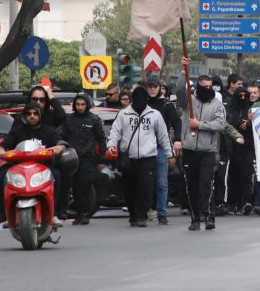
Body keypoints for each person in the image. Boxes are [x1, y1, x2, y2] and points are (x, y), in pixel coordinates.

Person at [107, 85, 175, 228]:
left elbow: (163, 137)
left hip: (147, 157)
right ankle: (133, 215)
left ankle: (141, 215)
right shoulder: (123, 114)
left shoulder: (154, 115)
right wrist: (111, 146)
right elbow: (115, 132)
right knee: (129, 188)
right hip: (129, 158)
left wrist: (170, 155)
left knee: (146, 188)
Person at [0, 103, 67, 225]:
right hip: (18, 167)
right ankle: (4, 213)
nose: (32, 116)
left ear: (40, 115)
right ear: (24, 116)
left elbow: (61, 142)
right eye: (29, 114)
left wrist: (59, 147)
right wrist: (1, 151)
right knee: (1, 176)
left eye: (35, 113)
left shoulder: (49, 130)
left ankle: (54, 213)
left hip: (43, 167)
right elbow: (3, 145)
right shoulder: (17, 131)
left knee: (57, 176)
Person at [182, 74, 228, 231]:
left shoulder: (217, 104)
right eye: (205, 86)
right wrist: (183, 73)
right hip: (189, 149)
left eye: (211, 86)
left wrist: (200, 124)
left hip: (207, 151)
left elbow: (221, 124)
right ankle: (195, 218)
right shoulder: (189, 100)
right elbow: (180, 90)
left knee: (206, 184)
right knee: (192, 186)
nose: (208, 89)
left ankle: (209, 216)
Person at [60, 92, 106, 225]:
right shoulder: (69, 120)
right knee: (75, 187)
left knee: (85, 186)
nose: (80, 107)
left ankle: (85, 213)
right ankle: (79, 213)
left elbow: (101, 139)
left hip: (88, 158)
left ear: (87, 105)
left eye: (83, 104)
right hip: (72, 159)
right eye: (78, 104)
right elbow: (62, 136)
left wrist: (102, 158)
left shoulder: (94, 120)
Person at [145, 77, 181, 224]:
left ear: (160, 88)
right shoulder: (142, 104)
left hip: (161, 148)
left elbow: (177, 123)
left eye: (155, 86)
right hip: (144, 148)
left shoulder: (167, 105)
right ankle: (145, 210)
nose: (153, 89)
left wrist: (177, 140)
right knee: (145, 182)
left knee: (162, 182)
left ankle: (162, 212)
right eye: (150, 86)